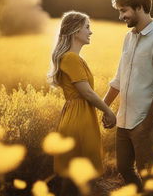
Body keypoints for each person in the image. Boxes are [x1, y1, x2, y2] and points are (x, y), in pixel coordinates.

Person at [103, 0, 153, 192]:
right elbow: (118, 79)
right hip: (124, 119)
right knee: (123, 167)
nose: (120, 16)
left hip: (147, 122)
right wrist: (105, 107)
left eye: (124, 10)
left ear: (140, 7)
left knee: (149, 175)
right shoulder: (129, 37)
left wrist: (146, 125)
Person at [48, 11, 116, 196]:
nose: (90, 32)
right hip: (79, 118)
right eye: (87, 27)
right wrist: (108, 111)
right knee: (80, 175)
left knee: (76, 176)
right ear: (75, 30)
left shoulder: (73, 58)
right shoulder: (71, 58)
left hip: (78, 115)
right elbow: (86, 92)